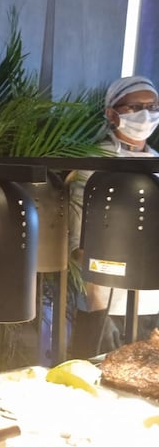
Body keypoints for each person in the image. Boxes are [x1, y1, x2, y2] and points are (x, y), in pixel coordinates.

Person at [68, 75, 159, 358]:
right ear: (111, 113)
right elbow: (79, 237)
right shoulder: (93, 161)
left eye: (152, 106)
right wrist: (96, 301)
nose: (146, 114)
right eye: (135, 107)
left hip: (153, 301)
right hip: (108, 302)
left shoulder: (156, 161)